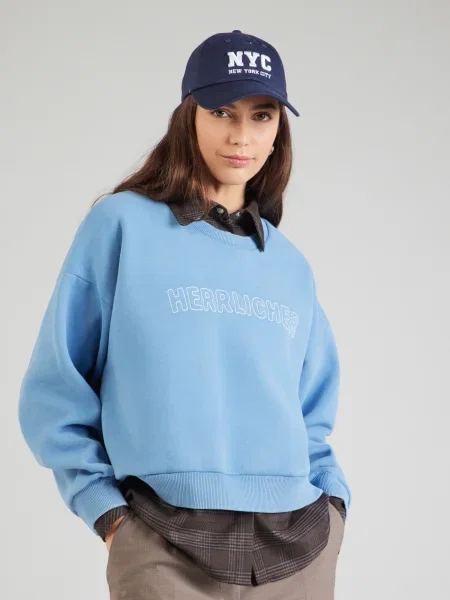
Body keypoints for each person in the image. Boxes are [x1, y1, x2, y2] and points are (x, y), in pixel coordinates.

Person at [18, 29, 351, 599]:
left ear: (279, 129)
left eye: (262, 115)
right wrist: (109, 516)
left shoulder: (289, 265)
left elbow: (312, 415)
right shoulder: (121, 226)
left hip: (298, 547)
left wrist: (334, 505)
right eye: (221, 112)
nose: (241, 135)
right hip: (162, 544)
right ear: (187, 115)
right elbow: (56, 389)